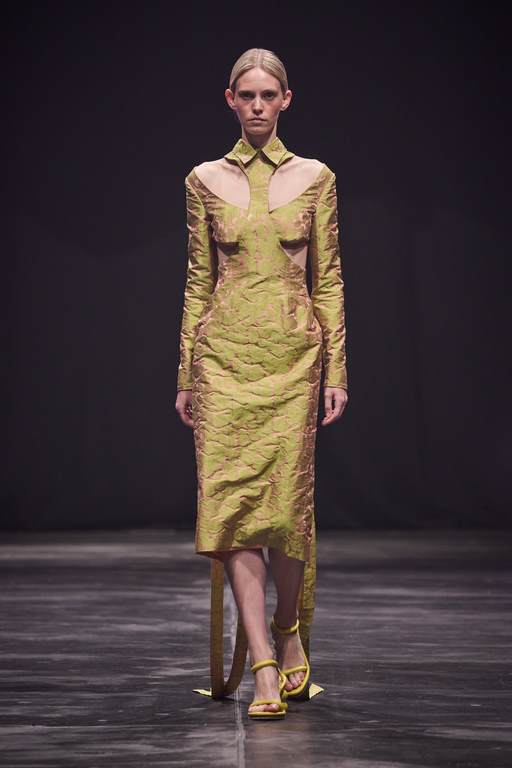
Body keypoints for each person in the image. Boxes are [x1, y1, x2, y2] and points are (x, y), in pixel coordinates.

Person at [175, 47, 348, 720]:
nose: (255, 105)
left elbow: (327, 280)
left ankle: (286, 625)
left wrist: (337, 370)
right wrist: (187, 372)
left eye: (266, 95)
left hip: (293, 359)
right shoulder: (202, 179)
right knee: (232, 510)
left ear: (285, 100)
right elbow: (198, 282)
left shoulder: (315, 177)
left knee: (286, 510)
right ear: (229, 100)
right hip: (222, 361)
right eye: (245, 95)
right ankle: (265, 668)